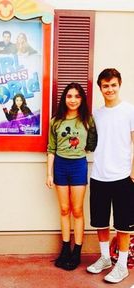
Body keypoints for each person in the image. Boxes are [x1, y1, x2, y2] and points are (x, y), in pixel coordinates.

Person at [86, 68, 134, 283]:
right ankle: (105, 258)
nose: (110, 89)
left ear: (119, 84)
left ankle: (122, 265)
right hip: (99, 175)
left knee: (123, 225)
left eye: (113, 85)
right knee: (100, 222)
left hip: (123, 176)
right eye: (105, 86)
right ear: (100, 88)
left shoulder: (129, 111)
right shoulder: (96, 114)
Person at [46, 82, 97, 271]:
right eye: (69, 96)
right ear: (64, 98)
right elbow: (51, 149)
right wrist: (49, 173)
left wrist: (85, 149)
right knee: (64, 209)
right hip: (60, 166)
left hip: (78, 166)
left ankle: (77, 252)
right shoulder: (56, 121)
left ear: (81, 99)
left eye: (77, 96)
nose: (73, 100)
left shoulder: (87, 120)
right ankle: (65, 248)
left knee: (77, 210)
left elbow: (93, 142)